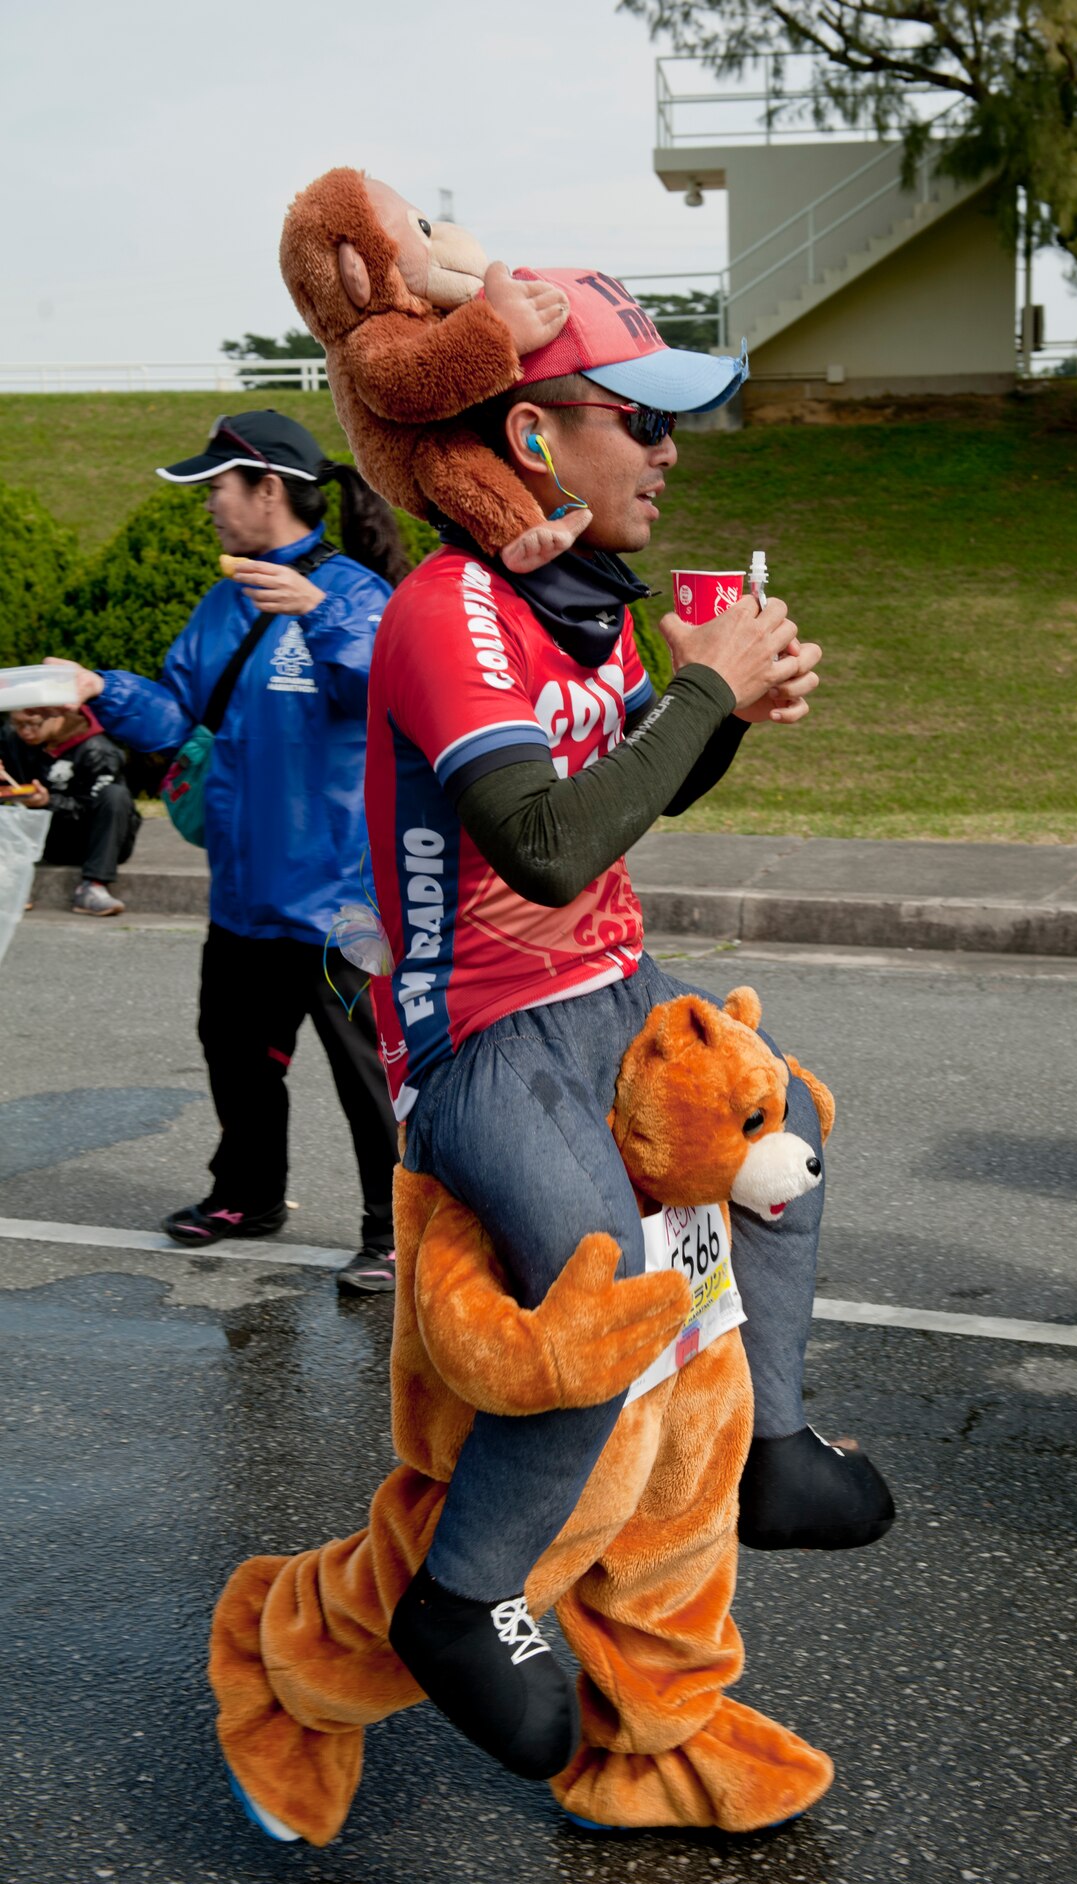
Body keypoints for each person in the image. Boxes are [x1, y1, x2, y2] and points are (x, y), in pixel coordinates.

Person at [369, 272, 894, 1778]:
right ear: (532, 433)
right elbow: (539, 843)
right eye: (638, 422)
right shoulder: (444, 608)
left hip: (605, 996)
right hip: (480, 1036)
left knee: (777, 1112)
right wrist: (693, 694)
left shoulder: (578, 601)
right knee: (605, 1279)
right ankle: (458, 1600)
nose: (668, 454)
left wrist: (714, 715)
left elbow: (616, 818)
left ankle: (772, 1446)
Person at [52, 411, 406, 1294]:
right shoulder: (225, 601)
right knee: (233, 1054)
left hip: (343, 901)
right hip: (244, 893)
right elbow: (178, 716)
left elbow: (387, 692)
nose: (209, 504)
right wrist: (101, 689)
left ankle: (396, 1230)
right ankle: (247, 1195)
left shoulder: (358, 596)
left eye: (218, 486)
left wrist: (319, 615)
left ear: (269, 490)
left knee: (371, 1076)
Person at [0, 703, 139, 915]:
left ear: (56, 715)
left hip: (96, 839)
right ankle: (10, 886)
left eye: (32, 724)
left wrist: (48, 802)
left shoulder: (98, 750)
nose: (25, 731)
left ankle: (94, 887)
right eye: (17, 724)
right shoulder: (13, 739)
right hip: (45, 838)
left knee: (115, 794)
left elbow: (89, 808)